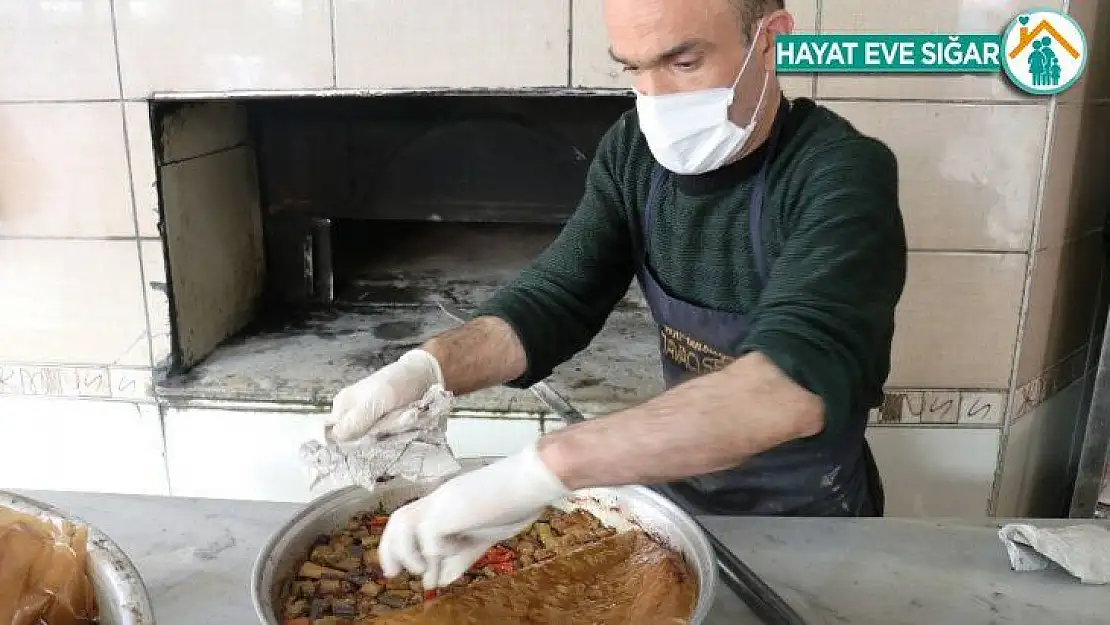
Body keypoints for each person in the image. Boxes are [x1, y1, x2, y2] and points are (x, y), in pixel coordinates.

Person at [328, 0, 908, 588]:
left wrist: (537, 473)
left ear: (770, 40)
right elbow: (555, 298)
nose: (655, 97)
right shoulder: (634, 151)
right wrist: (425, 370)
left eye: (682, 60)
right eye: (632, 69)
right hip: (676, 491)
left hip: (809, 519)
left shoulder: (841, 174)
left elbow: (788, 388)